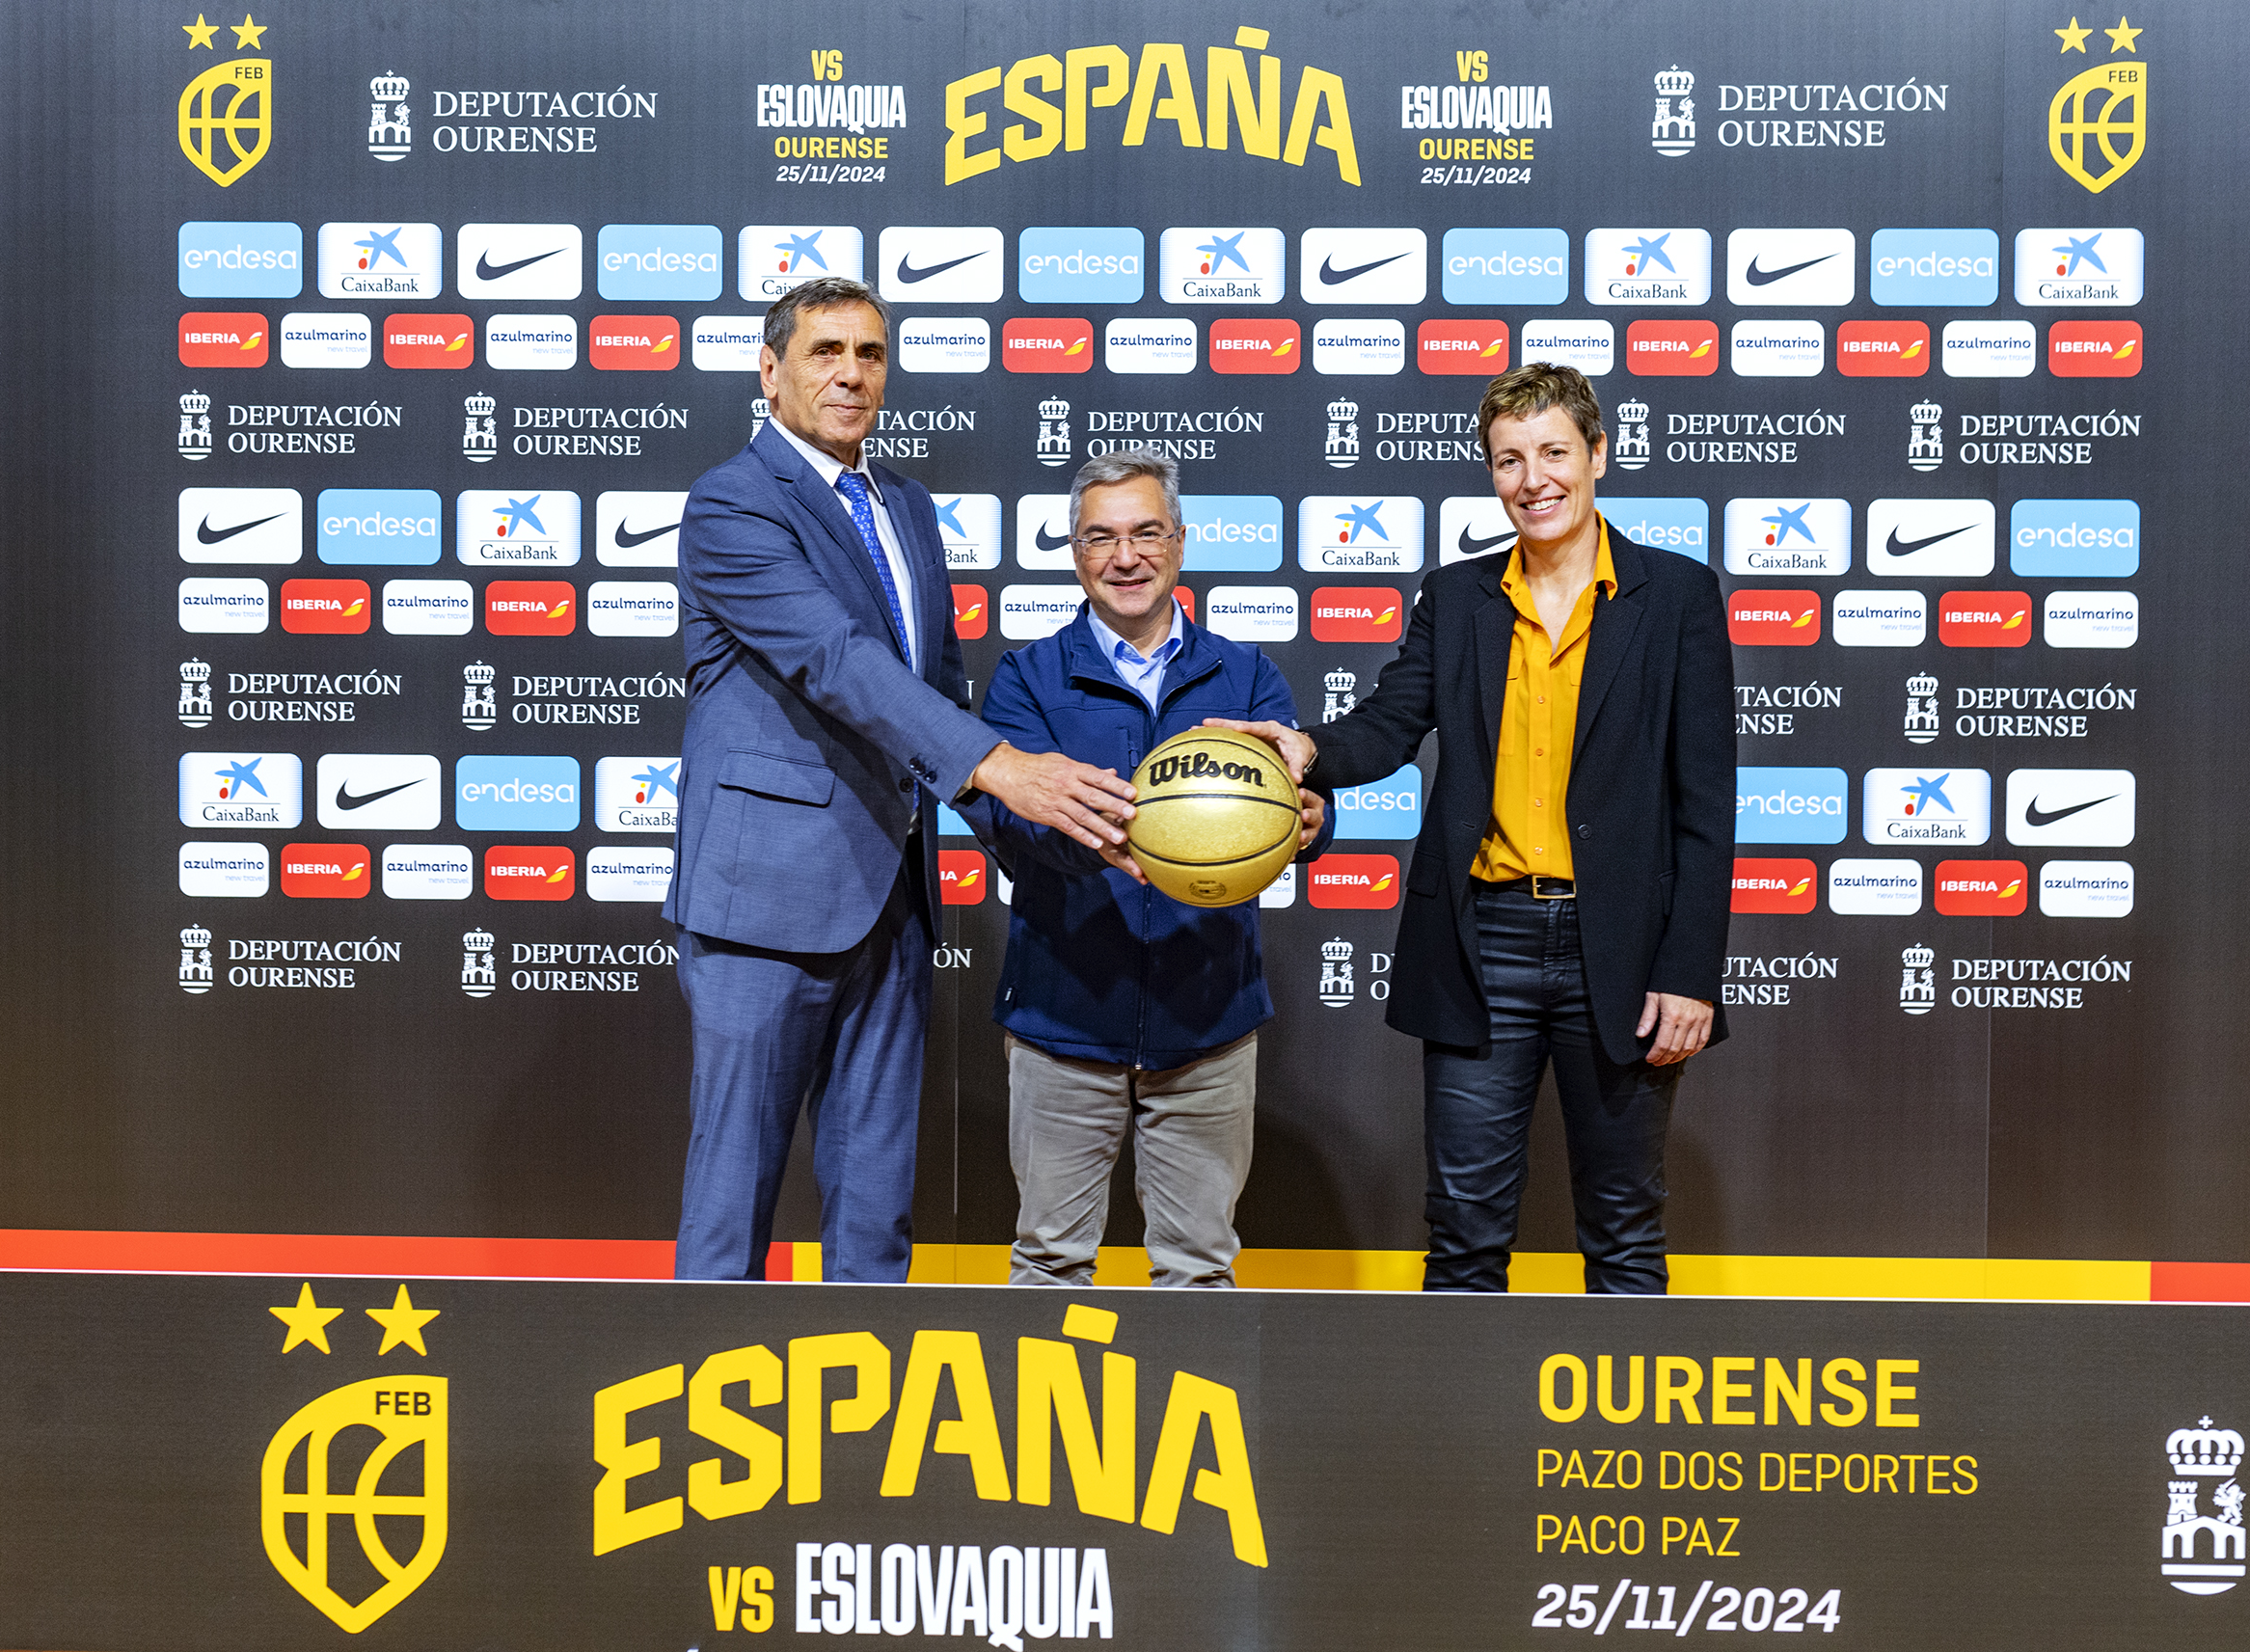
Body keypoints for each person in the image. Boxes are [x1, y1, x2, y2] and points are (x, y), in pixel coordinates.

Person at [1212, 362, 1734, 1293]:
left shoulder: (1679, 598)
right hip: (1480, 942)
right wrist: (1301, 749)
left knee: (1623, 1233)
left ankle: (1618, 1444)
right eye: (1507, 460)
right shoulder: (1458, 597)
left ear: (1598, 455)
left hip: (1620, 951)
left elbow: (1706, 805)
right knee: (1462, 1233)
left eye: (1552, 453)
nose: (1532, 479)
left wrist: (1689, 972)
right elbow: (1387, 722)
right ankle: (1453, 1439)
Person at [664, 277, 1139, 1283]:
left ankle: (857, 1418)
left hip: (893, 897)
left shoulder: (906, 507)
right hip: (762, 903)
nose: (849, 373)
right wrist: (1008, 769)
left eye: (869, 354)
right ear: (771, 369)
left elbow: (935, 695)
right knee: (729, 1206)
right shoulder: (730, 502)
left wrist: (1047, 827)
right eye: (825, 350)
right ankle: (701, 1420)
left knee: (876, 1216)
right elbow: (835, 661)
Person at [965, 449, 1328, 1287]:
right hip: (1063, 1020)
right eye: (1100, 538)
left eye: (1144, 533)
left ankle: (1191, 1423)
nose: (1124, 557)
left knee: (1198, 1268)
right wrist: (1105, 836)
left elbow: (1287, 803)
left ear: (1180, 542)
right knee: (1051, 1261)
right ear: (1073, 550)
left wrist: (1313, 821)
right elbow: (998, 819)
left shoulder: (1244, 674)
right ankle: (1047, 1424)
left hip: (1207, 1025)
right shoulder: (1027, 678)